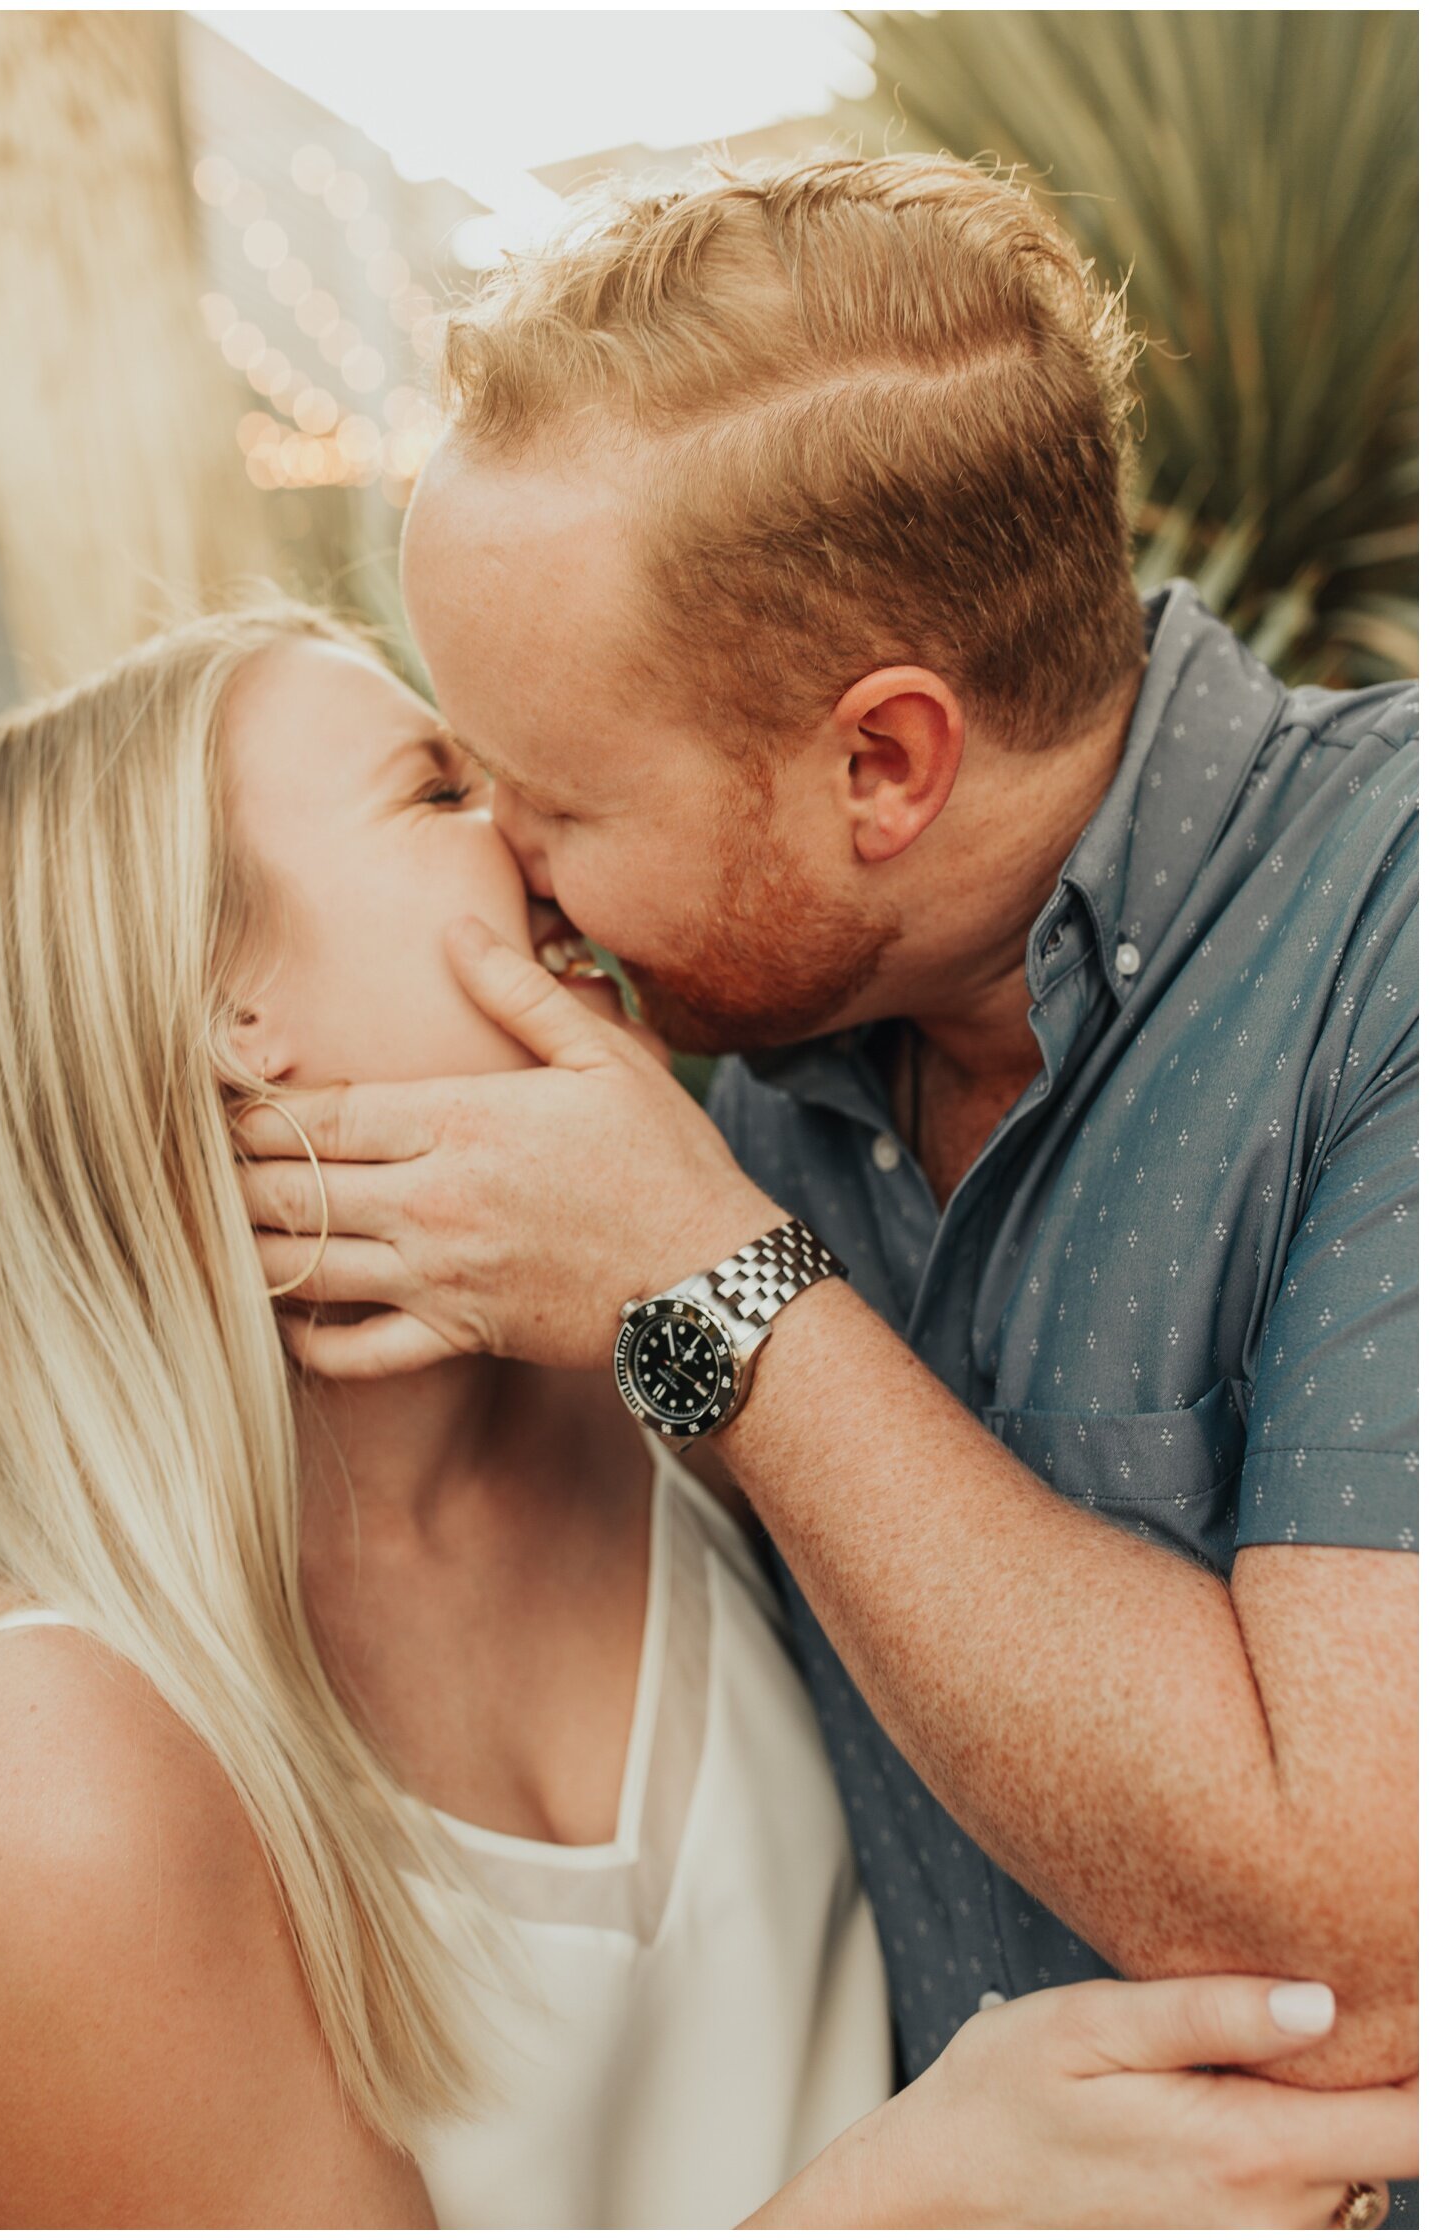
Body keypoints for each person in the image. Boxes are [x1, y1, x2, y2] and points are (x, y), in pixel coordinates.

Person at [235, 155, 1419, 2229]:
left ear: (883, 765)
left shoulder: (1389, 947)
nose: (509, 867)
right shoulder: (737, 1043)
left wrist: (708, 1288)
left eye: (560, 798)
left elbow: (1356, 1962)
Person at [0, 603, 1409, 2230]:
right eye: (439, 788)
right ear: (225, 1016)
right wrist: (900, 2211)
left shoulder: (682, 1395)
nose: (538, 834)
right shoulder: (40, 1776)